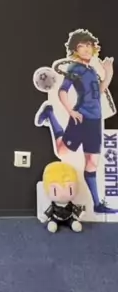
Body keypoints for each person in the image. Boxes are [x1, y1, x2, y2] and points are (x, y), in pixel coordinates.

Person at [36, 29, 117, 215]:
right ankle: (50, 114)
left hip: (95, 121)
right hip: (82, 117)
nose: (86, 49)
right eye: (82, 46)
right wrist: (70, 111)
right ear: (75, 49)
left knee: (92, 163)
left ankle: (97, 204)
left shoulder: (92, 70)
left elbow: (100, 90)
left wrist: (108, 72)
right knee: (62, 151)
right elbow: (63, 91)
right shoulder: (75, 69)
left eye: (89, 45)